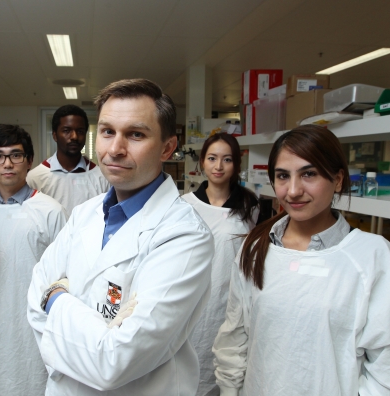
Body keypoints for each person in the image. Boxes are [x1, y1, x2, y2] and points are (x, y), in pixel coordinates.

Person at [27, 79, 215, 395]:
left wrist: (57, 298)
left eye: (136, 134)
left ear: (168, 147)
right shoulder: (84, 214)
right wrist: (95, 332)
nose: (115, 149)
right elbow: (34, 303)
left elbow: (113, 362)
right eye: (107, 131)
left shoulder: (184, 236)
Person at [213, 125, 390, 396]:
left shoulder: (372, 255)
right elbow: (235, 338)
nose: (293, 191)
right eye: (283, 176)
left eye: (309, 174)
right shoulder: (256, 248)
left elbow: (384, 365)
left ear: (338, 179)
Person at [0, 124, 67, 395]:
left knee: (32, 381)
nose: (8, 163)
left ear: (29, 161)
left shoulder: (50, 210)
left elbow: (63, 274)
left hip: (34, 322)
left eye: (16, 155)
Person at [182, 132, 259, 396]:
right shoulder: (184, 205)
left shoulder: (250, 205)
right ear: (202, 161)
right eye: (212, 158)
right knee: (188, 368)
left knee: (226, 371)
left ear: (236, 164)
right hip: (191, 300)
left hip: (230, 301)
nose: (218, 166)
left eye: (227, 159)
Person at [26, 104, 110, 214]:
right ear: (55, 135)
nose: (74, 136)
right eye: (66, 130)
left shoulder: (101, 177)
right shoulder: (35, 178)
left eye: (80, 131)